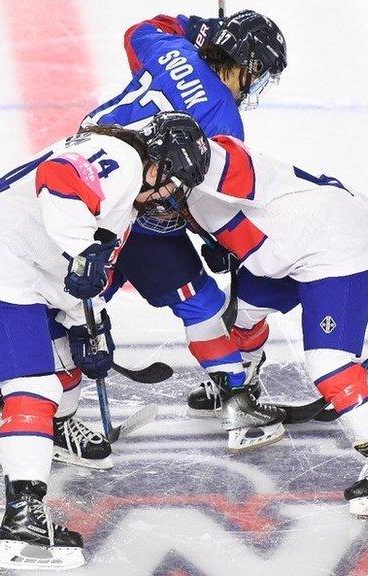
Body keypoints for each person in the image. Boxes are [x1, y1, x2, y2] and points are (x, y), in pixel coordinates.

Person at [0, 112, 210, 570]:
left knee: (68, 352)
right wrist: (84, 254)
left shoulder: (128, 187)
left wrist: (91, 323)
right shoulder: (124, 158)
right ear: (155, 163)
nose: (170, 197)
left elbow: (80, 277)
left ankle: (58, 432)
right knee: (34, 388)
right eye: (172, 182)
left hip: (18, 273)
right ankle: (22, 522)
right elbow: (59, 178)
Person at [180, 134, 368, 517]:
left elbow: (266, 263)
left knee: (329, 364)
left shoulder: (202, 200)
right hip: (308, 227)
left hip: (336, 247)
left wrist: (228, 242)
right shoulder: (215, 149)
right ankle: (244, 384)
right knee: (242, 313)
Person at [83, 10, 287, 418]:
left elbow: (138, 29)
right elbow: (200, 194)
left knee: (78, 303)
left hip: (77, 176)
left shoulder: (168, 48)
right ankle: (238, 401)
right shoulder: (224, 120)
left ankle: (42, 394)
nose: (258, 85)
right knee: (202, 304)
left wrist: (199, 30)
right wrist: (216, 238)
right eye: (260, 72)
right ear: (247, 63)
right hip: (132, 213)